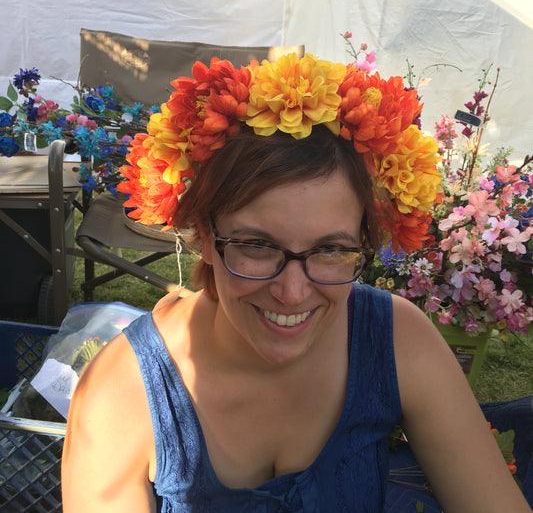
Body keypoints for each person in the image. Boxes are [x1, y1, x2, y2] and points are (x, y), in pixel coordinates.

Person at [61, 53, 532, 512]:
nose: (292, 292)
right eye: (257, 246)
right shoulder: (122, 393)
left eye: (330, 250)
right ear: (204, 236)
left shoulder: (396, 339)